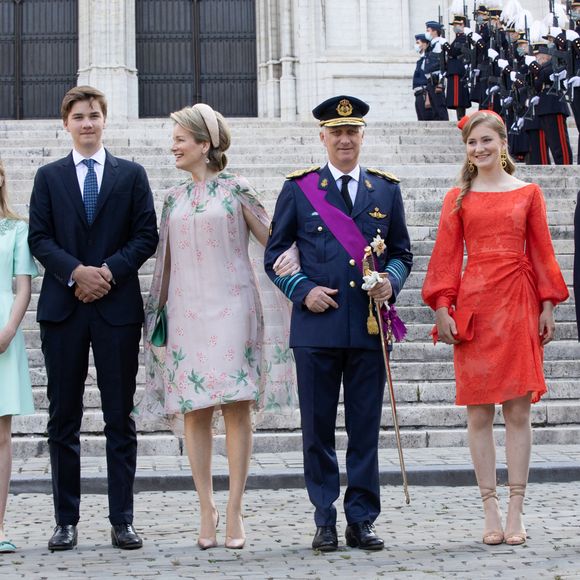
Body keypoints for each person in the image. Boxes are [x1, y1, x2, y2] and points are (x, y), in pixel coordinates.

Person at [137, 103, 299, 550]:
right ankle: (206, 506)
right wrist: (157, 314)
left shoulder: (237, 190)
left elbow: (275, 241)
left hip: (234, 308)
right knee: (195, 408)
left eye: (180, 139)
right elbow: (164, 264)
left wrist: (301, 270)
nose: (173, 146)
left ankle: (235, 508)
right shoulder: (172, 197)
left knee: (235, 406)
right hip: (187, 311)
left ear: (204, 145)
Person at [264, 95, 413, 552]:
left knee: (365, 428)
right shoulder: (300, 188)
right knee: (318, 428)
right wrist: (302, 289)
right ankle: (324, 517)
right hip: (316, 327)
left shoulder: (384, 190)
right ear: (323, 137)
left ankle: (362, 519)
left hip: (368, 327)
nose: (345, 139)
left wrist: (389, 281)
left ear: (362, 136)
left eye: (353, 132)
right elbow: (274, 256)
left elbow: (403, 253)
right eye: (336, 132)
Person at [422, 110, 568, 546]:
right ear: (466, 149)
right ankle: (490, 510)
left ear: (502, 143)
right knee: (479, 412)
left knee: (518, 411)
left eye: (487, 140)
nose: (480, 148)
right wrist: (441, 306)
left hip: (519, 304)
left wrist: (548, 305)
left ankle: (516, 512)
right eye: (472, 143)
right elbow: (447, 257)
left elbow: (543, 251)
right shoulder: (457, 198)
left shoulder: (529, 193)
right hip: (476, 307)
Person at [28, 86, 159, 551]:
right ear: (66, 124)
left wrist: (108, 272)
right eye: (79, 117)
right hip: (63, 312)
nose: (87, 123)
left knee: (118, 417)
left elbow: (147, 236)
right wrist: (75, 273)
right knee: (63, 418)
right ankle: (66, 520)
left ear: (105, 121)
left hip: (116, 310)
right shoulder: (48, 177)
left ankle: (122, 519)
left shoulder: (131, 175)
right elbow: (39, 239)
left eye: (94, 116)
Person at [0, 161, 38, 554]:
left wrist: (10, 329)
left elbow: (22, 285)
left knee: (1, 435)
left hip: (3, 334)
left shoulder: (16, 229)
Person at [445, 15, 472, 119]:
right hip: (454, 70)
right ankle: (459, 117)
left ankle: (461, 118)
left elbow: (454, 52)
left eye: (457, 24)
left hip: (458, 70)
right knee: (456, 98)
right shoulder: (458, 38)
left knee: (458, 98)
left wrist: (446, 46)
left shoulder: (463, 38)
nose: (455, 27)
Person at [424, 21, 450, 121]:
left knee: (440, 107)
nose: (427, 33)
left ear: (435, 31)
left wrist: (441, 82)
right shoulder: (431, 45)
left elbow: (443, 64)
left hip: (436, 79)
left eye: (428, 30)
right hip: (430, 79)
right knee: (434, 108)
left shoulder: (440, 43)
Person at [413, 34, 435, 121]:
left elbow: (428, 80)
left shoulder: (428, 59)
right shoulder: (420, 60)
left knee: (426, 119)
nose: (416, 45)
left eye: (418, 43)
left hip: (424, 94)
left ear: (425, 44)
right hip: (418, 94)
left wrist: (427, 98)